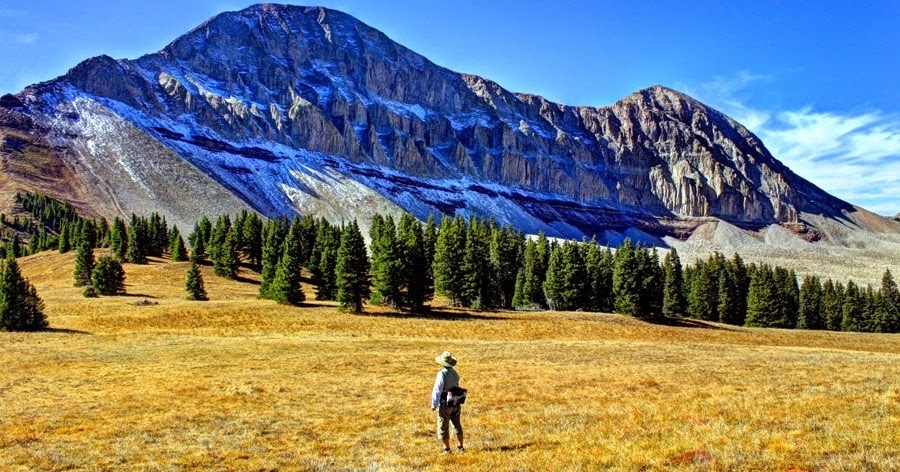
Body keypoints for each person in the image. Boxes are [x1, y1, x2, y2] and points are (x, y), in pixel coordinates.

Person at [431, 351, 464, 454]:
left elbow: (437, 389)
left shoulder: (441, 373)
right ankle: (460, 447)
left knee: (443, 426)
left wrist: (434, 404)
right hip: (456, 401)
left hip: (445, 403)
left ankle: (447, 449)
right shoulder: (454, 372)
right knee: (457, 424)